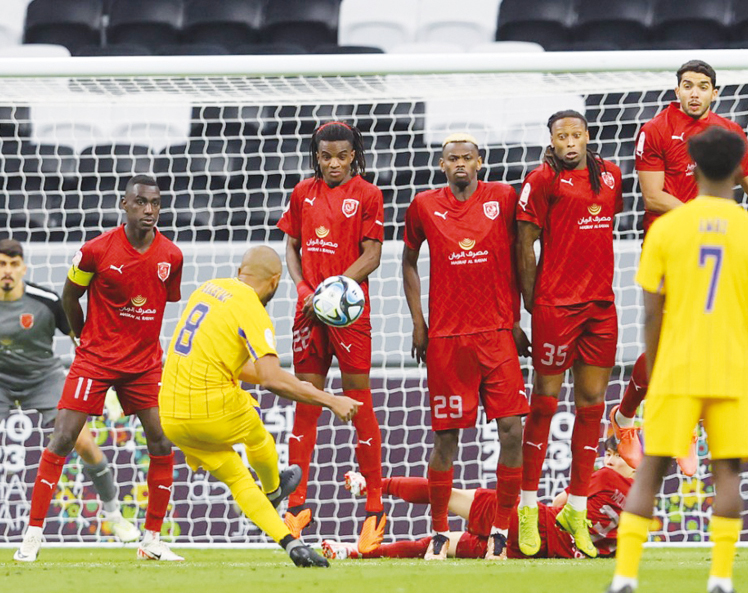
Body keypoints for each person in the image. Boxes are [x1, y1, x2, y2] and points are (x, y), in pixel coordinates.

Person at [596, 127, 748, 593]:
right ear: (741, 171)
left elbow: (652, 314)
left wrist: (658, 372)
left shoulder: (667, 229)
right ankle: (720, 581)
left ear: (694, 168)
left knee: (650, 471)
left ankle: (624, 580)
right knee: (727, 475)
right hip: (733, 372)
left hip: (677, 371)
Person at [613, 59, 748, 476]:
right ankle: (625, 421)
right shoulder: (655, 130)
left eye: (702, 86)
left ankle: (661, 423)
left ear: (715, 93)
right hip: (670, 246)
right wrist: (706, 217)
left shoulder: (730, 133)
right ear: (677, 90)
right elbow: (653, 196)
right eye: (687, 85)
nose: (694, 92)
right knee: (673, 340)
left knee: (706, 336)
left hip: (716, 252)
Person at [14, 175, 185, 562]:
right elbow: (69, 296)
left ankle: (152, 540)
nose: (149, 210)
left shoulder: (172, 256)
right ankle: (33, 534)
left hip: (144, 364)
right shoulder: (94, 250)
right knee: (63, 437)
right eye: (141, 202)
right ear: (123, 204)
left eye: (155, 203)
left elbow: (162, 301)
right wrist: (81, 337)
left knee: (162, 441)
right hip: (96, 358)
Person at [0, 239, 137, 552]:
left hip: (44, 379)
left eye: (14, 265)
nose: (7, 271)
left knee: (83, 443)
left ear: (23, 268)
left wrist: (102, 381)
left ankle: (114, 515)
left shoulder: (47, 301)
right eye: (1, 264)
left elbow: (81, 338)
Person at [159, 246, 361, 568]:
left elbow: (231, 365)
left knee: (239, 480)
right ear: (275, 282)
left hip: (170, 416)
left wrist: (299, 384)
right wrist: (331, 400)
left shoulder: (207, 290)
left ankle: (290, 543)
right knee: (256, 432)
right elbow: (270, 380)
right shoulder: (251, 307)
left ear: (241, 270)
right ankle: (274, 488)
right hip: (211, 408)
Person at [402, 133, 530, 560]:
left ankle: (501, 529)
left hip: (495, 334)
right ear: (442, 166)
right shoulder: (423, 204)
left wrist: (516, 320)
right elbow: (408, 259)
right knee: (447, 439)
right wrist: (419, 323)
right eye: (452, 158)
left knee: (513, 429)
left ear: (480, 163)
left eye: (467, 158)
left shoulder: (504, 197)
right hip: (446, 337)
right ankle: (438, 531)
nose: (460, 164)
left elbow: (522, 250)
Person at [516, 110, 625, 559]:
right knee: (543, 402)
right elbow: (524, 244)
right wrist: (530, 304)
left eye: (576, 135)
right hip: (555, 306)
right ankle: (525, 507)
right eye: (562, 136)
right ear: (552, 140)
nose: (570, 142)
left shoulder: (612, 176)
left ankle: (575, 508)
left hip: (600, 307)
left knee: (591, 406)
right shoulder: (540, 182)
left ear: (586, 136)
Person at [276, 121, 387, 552]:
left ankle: (375, 507)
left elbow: (372, 254)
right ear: (316, 156)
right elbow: (291, 247)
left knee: (358, 402)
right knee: (306, 402)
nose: (335, 163)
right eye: (327, 156)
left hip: (347, 315)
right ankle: (298, 506)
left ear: (354, 156)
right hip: (309, 314)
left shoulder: (368, 194)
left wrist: (332, 289)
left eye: (343, 156)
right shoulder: (302, 193)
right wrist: (307, 291)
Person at [321, 435, 634, 560]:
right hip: (530, 551)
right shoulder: (638, 506)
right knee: (432, 545)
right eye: (607, 454)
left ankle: (373, 485)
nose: (608, 461)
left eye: (615, 455)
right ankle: (351, 552)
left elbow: (557, 502)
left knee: (443, 493)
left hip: (527, 521)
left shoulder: (605, 477)